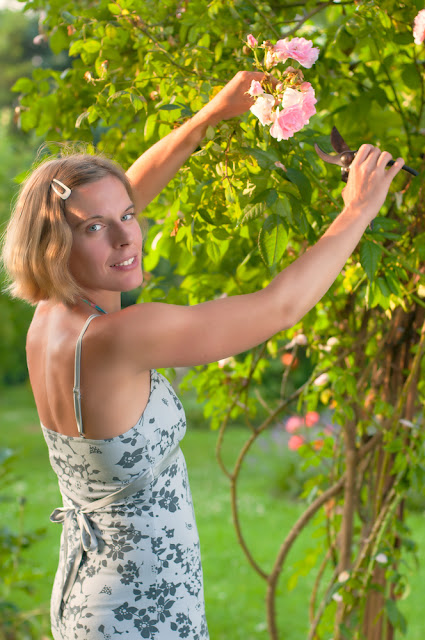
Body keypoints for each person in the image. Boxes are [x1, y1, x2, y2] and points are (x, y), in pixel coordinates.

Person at [1, 70, 404, 640]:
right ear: (57, 243)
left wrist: (207, 119)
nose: (126, 239)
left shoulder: (50, 313)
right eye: (96, 228)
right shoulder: (122, 338)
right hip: (138, 609)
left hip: (93, 592)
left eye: (130, 218)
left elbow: (119, 199)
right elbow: (279, 307)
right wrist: (358, 208)